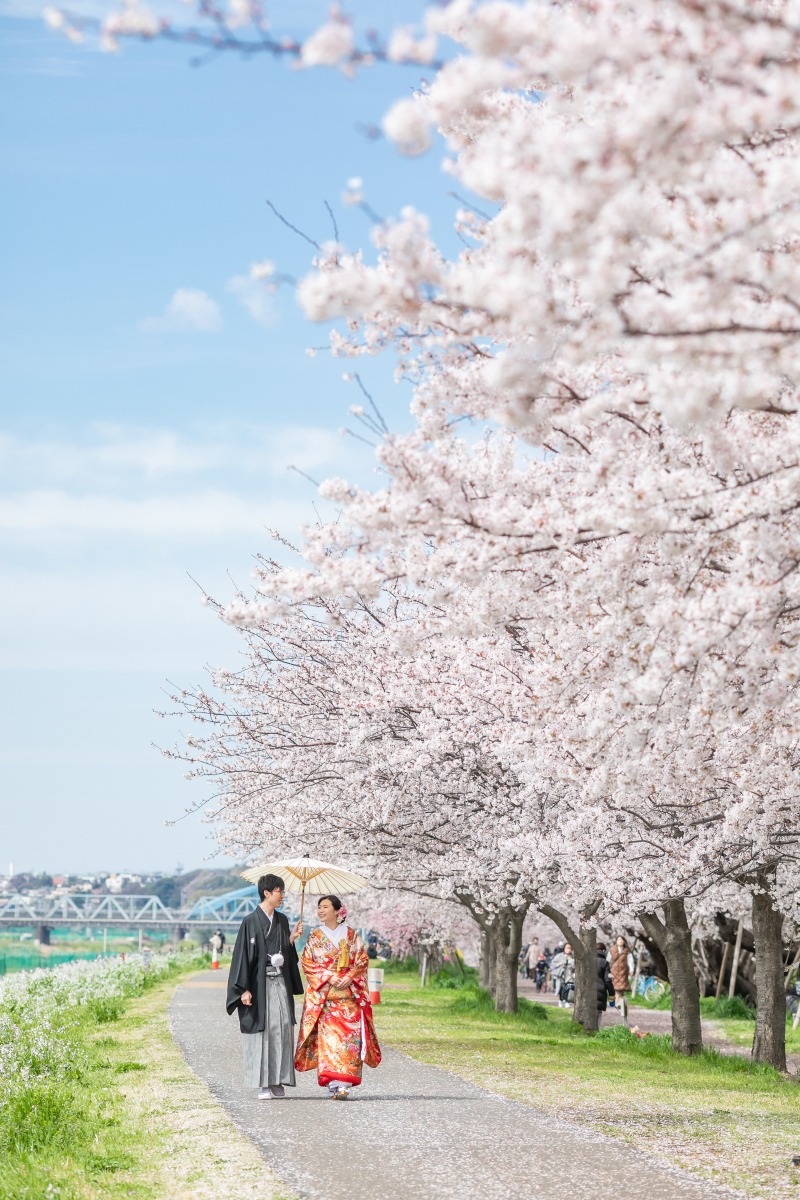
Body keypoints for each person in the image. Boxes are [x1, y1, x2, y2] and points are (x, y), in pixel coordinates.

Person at [295, 894, 381, 1100]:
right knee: (330, 1042)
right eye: (319, 907)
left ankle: (343, 1084)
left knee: (349, 1042)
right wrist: (328, 977)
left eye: (325, 907)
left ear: (337, 911)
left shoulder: (352, 936)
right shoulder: (314, 936)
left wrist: (350, 977)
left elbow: (362, 960)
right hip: (326, 1000)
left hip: (348, 997)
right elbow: (307, 962)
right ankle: (335, 1084)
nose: (321, 911)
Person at [226, 873, 304, 1100]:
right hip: (258, 985)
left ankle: (278, 1079)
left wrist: (290, 941)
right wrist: (244, 989)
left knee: (282, 1029)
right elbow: (241, 957)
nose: (283, 896)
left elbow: (285, 954)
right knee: (264, 1032)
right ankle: (263, 1084)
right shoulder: (250, 921)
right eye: (280, 891)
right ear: (267, 893)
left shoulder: (283, 920)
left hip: (280, 981)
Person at [609, 935, 634, 1027]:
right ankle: (617, 1002)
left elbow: (630, 961)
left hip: (623, 971)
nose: (620, 941)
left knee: (622, 986)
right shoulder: (612, 950)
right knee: (615, 986)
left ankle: (619, 1002)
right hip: (614, 970)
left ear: (624, 941)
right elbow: (609, 959)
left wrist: (632, 969)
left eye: (621, 939)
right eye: (618, 939)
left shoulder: (627, 951)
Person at [550, 943, 575, 1007]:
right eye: (567, 948)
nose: (568, 949)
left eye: (569, 948)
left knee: (569, 988)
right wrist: (559, 964)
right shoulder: (560, 955)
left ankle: (567, 1001)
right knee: (561, 988)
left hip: (570, 975)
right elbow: (553, 962)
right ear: (564, 948)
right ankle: (560, 1000)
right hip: (561, 975)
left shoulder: (573, 957)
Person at [596, 941, 614, 1019]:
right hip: (600, 991)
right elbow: (608, 979)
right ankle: (597, 1030)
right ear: (603, 951)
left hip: (587, 991)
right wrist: (611, 993)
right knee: (598, 1013)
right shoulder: (604, 962)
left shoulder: (586, 961)